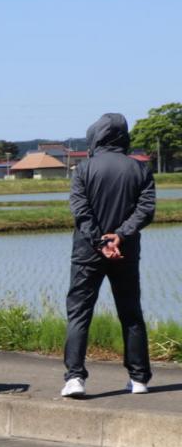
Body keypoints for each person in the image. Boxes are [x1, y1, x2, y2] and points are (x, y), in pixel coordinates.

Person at [62, 113, 156, 398]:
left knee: (79, 313)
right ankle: (139, 379)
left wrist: (99, 241)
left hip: (87, 253)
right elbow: (146, 209)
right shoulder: (140, 169)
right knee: (131, 313)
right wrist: (120, 236)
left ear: (96, 136)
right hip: (125, 251)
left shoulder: (84, 169)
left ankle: (75, 378)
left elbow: (81, 211)